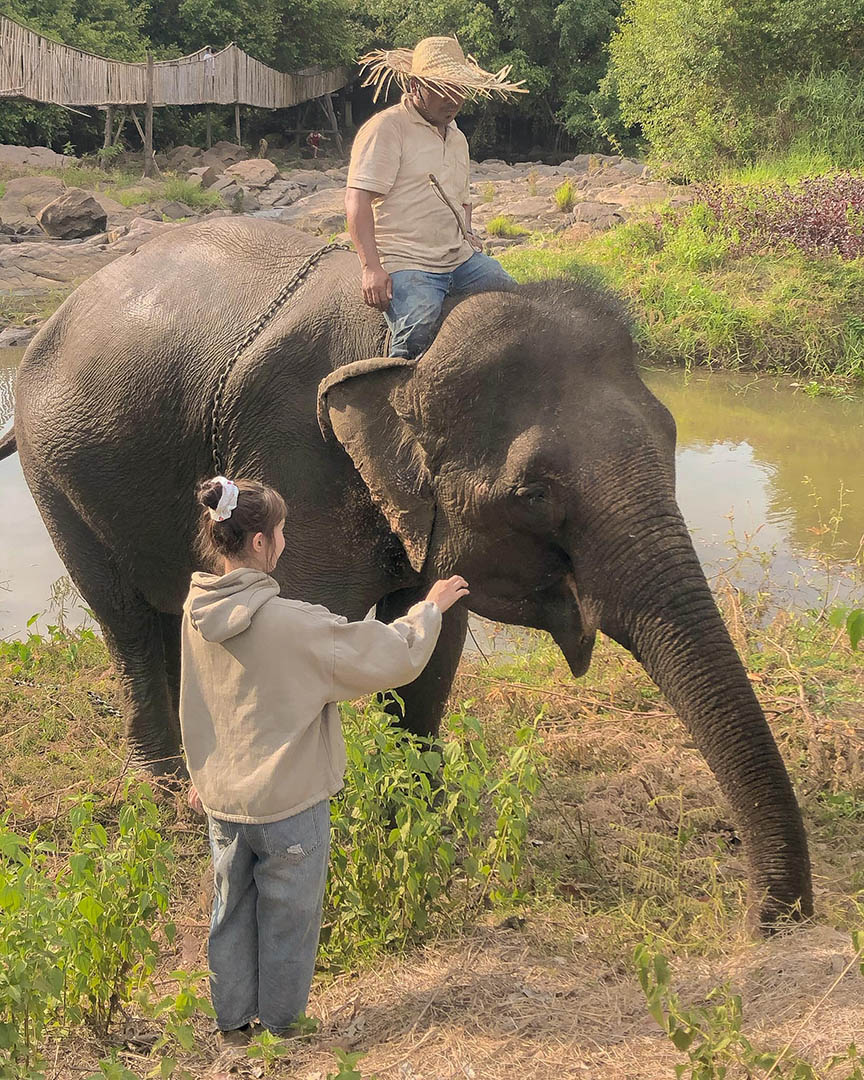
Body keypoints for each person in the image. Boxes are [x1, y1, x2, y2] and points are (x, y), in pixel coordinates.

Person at [180, 475, 469, 1043]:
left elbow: (197, 701)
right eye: (281, 531)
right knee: (289, 921)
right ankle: (284, 1033)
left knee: (229, 912)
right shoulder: (295, 624)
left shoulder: (194, 613)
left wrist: (199, 776)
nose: (285, 541)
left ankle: (233, 1027)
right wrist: (428, 609)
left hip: (223, 799)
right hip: (289, 805)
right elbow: (390, 655)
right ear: (260, 543)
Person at [345, 36, 527, 360]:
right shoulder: (388, 128)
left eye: (458, 89)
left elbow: (462, 198)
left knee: (517, 299)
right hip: (409, 260)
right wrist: (371, 267)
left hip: (459, 258)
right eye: (442, 88)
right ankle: (393, 396)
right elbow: (357, 198)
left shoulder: (457, 137)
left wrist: (468, 232)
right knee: (419, 323)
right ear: (415, 85)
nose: (452, 99)